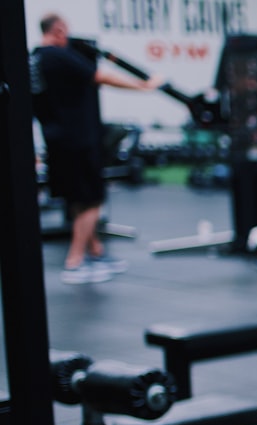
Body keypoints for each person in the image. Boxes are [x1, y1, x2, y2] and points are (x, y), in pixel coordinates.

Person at [29, 13, 162, 283]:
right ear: (59, 30)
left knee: (78, 198)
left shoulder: (35, 59)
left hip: (57, 139)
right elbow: (102, 76)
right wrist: (143, 86)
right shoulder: (59, 55)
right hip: (79, 139)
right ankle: (75, 262)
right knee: (93, 200)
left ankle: (95, 251)